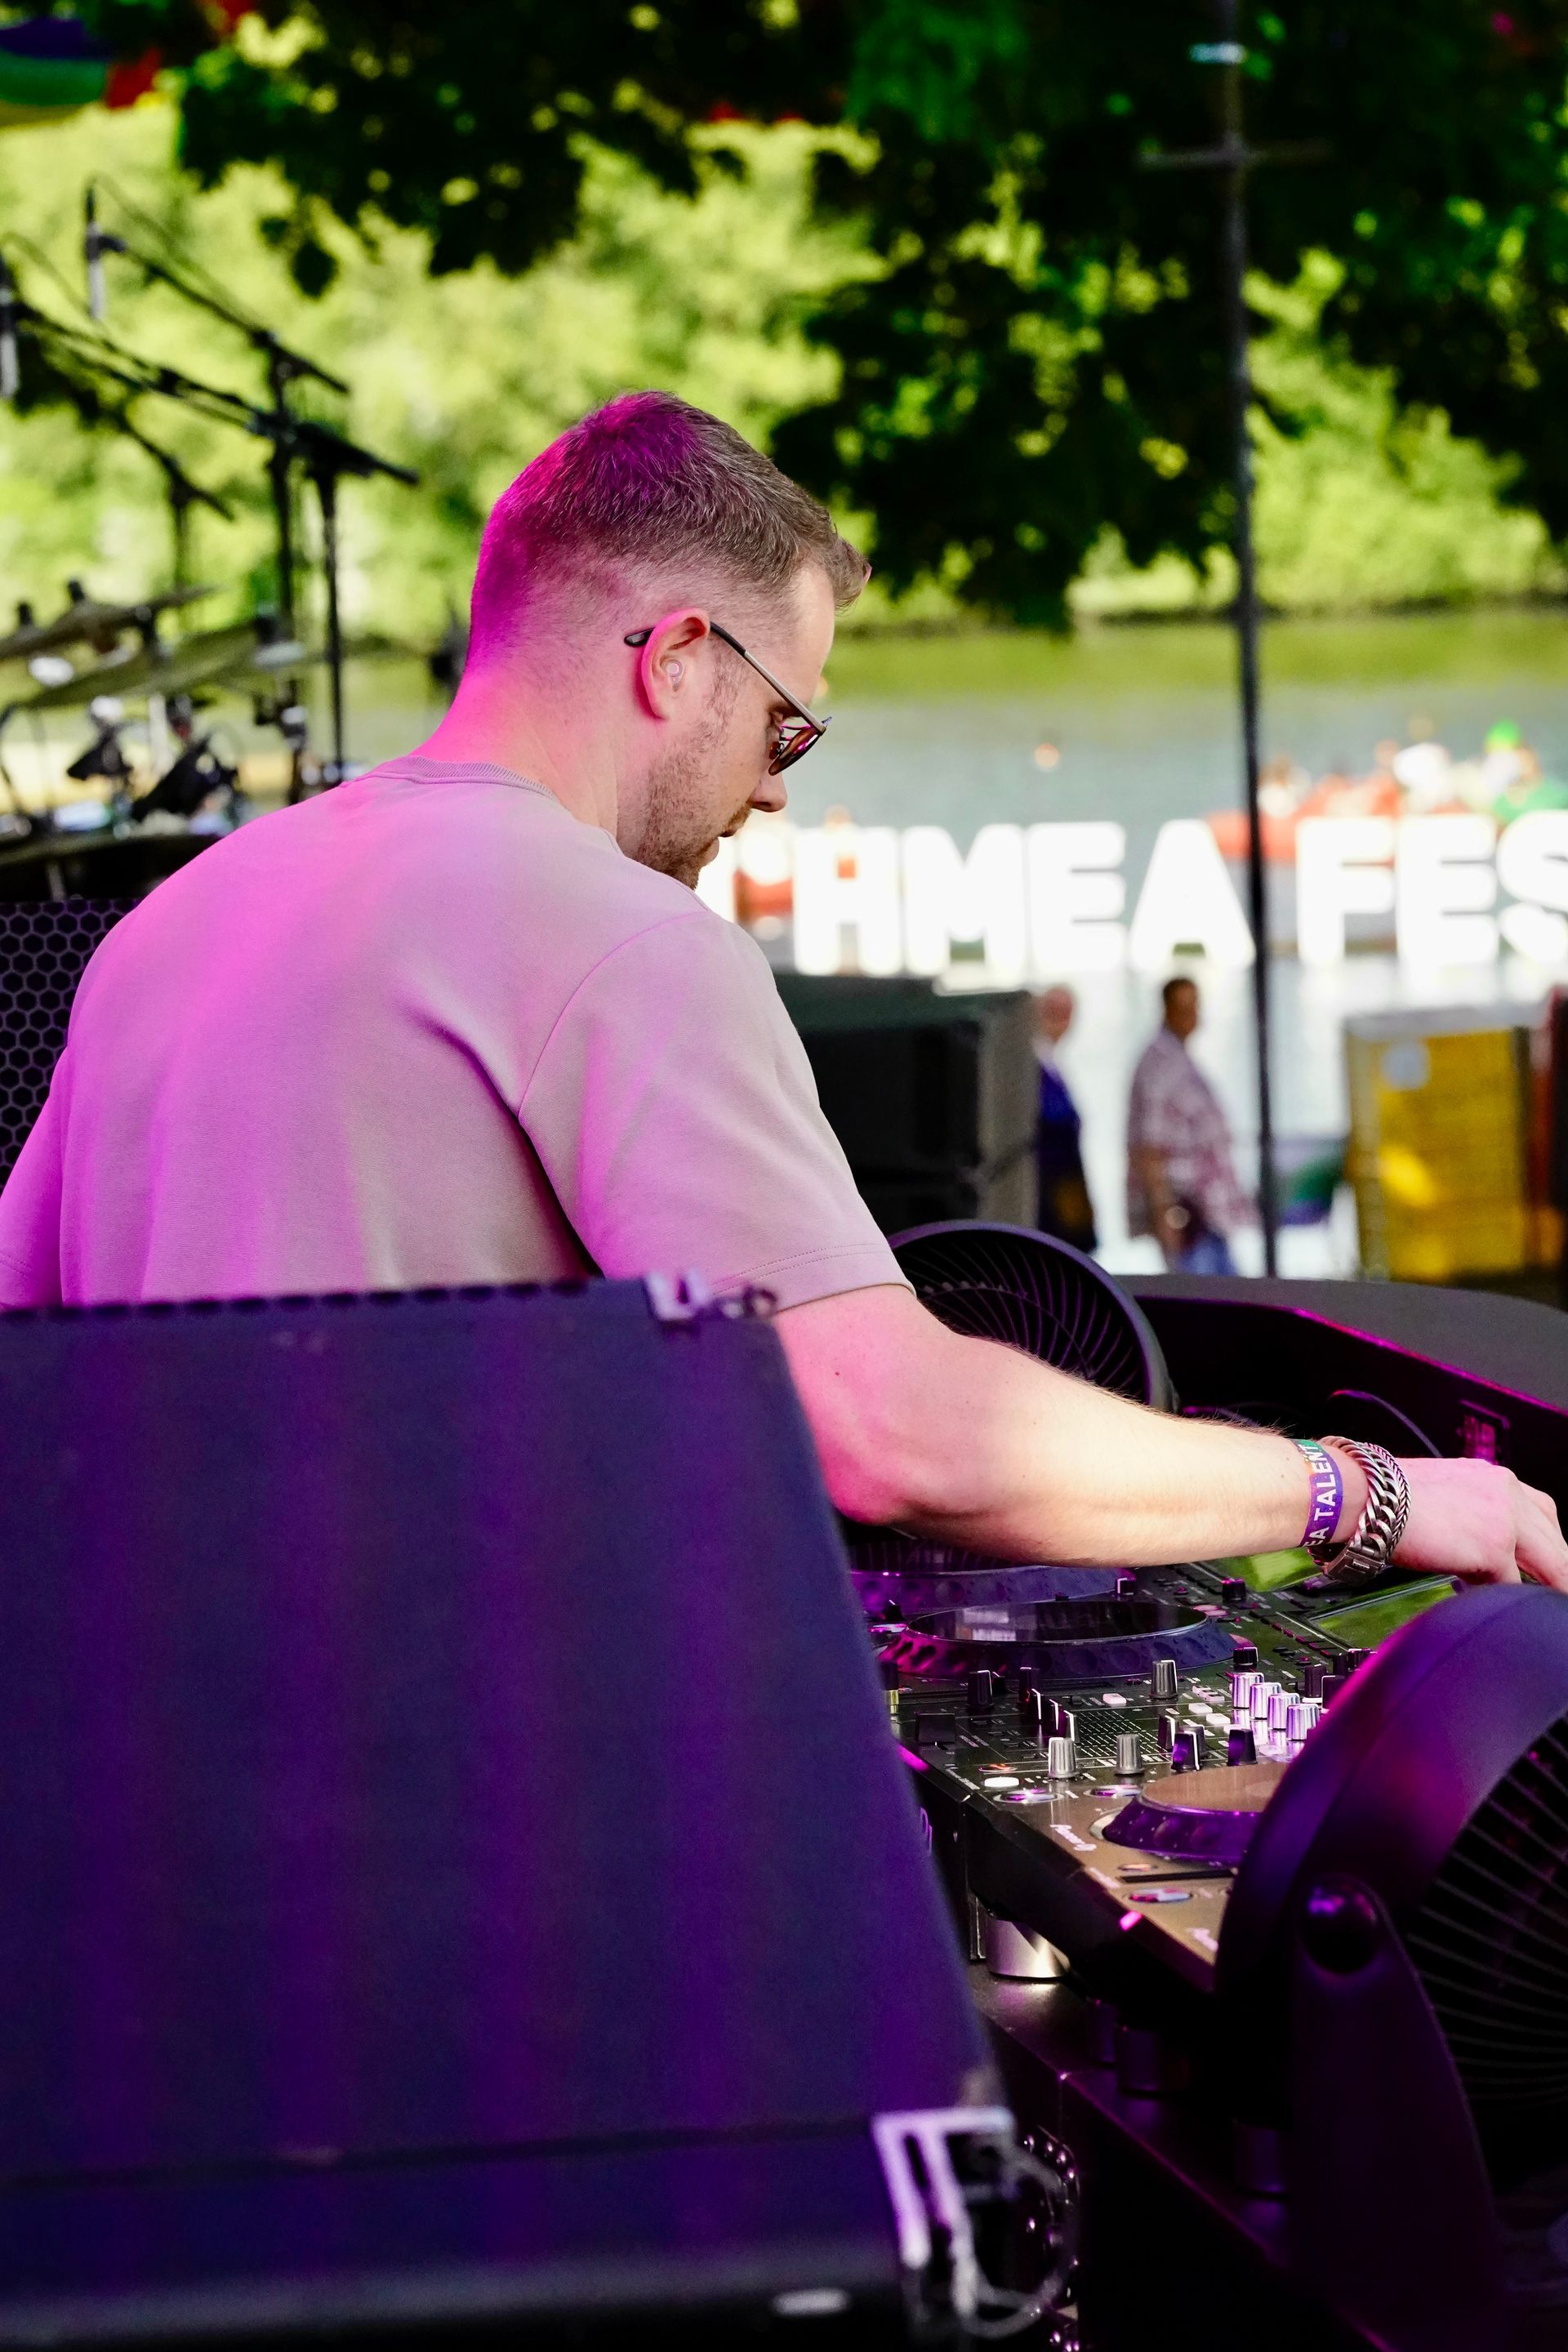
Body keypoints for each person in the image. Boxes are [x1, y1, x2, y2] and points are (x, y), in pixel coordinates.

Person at [0, 392, 1561, 1590]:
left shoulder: (167, 929)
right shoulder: (622, 937)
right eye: (784, 727)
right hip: (453, 1835)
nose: (774, 790)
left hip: (133, 1831)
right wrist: (1369, 1492)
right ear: (677, 655)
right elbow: (894, 1432)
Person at [1127, 975, 1249, 1276]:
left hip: (1209, 1213)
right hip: (1187, 1214)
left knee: (1230, 1293)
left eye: (1194, 1007)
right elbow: (1149, 1147)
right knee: (1205, 1298)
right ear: (1166, 1009)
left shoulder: (1179, 1059)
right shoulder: (1159, 1065)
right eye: (1182, 1008)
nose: (1191, 1015)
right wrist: (1164, 1213)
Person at [1032, 985, 1096, 1254]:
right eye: (1052, 1012)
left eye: (1064, 1013)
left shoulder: (1050, 1063)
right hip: (1047, 1188)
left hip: (1063, 1186)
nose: (1059, 1020)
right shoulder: (1033, 1066)